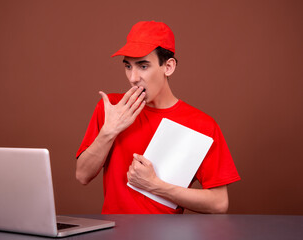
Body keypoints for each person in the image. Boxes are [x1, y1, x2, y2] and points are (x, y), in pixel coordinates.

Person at [76, 21, 240, 214]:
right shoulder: (112, 109)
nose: (133, 77)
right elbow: (82, 175)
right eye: (128, 66)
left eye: (143, 66)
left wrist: (155, 185)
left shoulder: (202, 125)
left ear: (168, 67)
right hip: (115, 233)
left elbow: (219, 203)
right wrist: (109, 131)